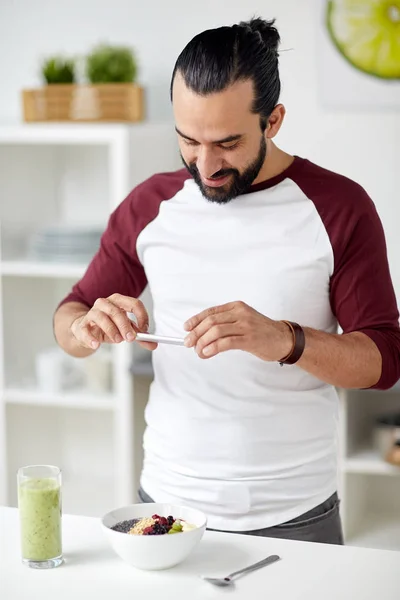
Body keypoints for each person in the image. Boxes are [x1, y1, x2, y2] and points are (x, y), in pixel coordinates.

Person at [54, 17, 400, 544]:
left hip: (296, 514)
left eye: (228, 142)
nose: (206, 164)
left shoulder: (339, 208)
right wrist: (86, 328)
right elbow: (70, 314)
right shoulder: (151, 204)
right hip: (164, 507)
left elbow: (383, 361)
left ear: (274, 120)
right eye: (188, 140)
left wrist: (286, 340)